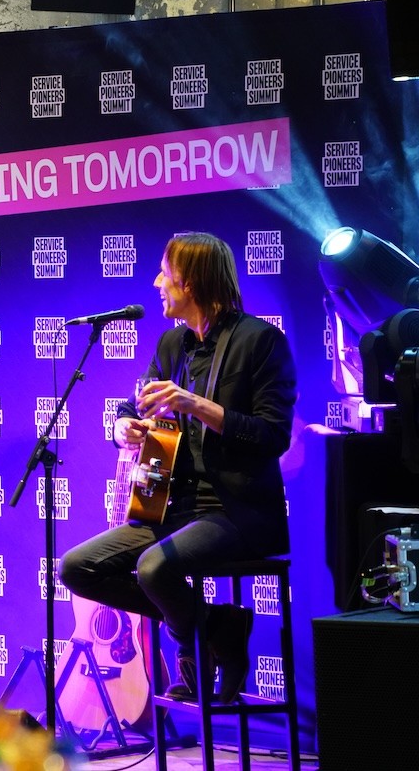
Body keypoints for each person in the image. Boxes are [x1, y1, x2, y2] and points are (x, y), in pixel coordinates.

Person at [59, 232, 297, 702]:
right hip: (170, 507)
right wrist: (123, 428)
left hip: (236, 511)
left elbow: (273, 435)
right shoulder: (173, 344)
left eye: (164, 274)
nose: (156, 283)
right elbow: (134, 406)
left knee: (154, 569)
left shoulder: (261, 341)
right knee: (77, 568)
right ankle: (217, 626)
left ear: (190, 282)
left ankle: (193, 645)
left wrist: (196, 404)